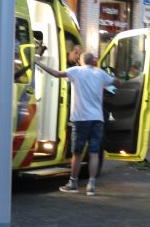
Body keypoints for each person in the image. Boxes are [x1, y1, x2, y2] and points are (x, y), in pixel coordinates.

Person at [36, 51, 120, 196]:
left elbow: (56, 74)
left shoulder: (76, 71)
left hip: (81, 119)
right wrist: (120, 80)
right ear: (93, 61)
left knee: (77, 153)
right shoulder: (100, 73)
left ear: (81, 60)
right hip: (97, 119)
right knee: (94, 153)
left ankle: (73, 183)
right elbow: (116, 82)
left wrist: (38, 63)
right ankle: (91, 185)